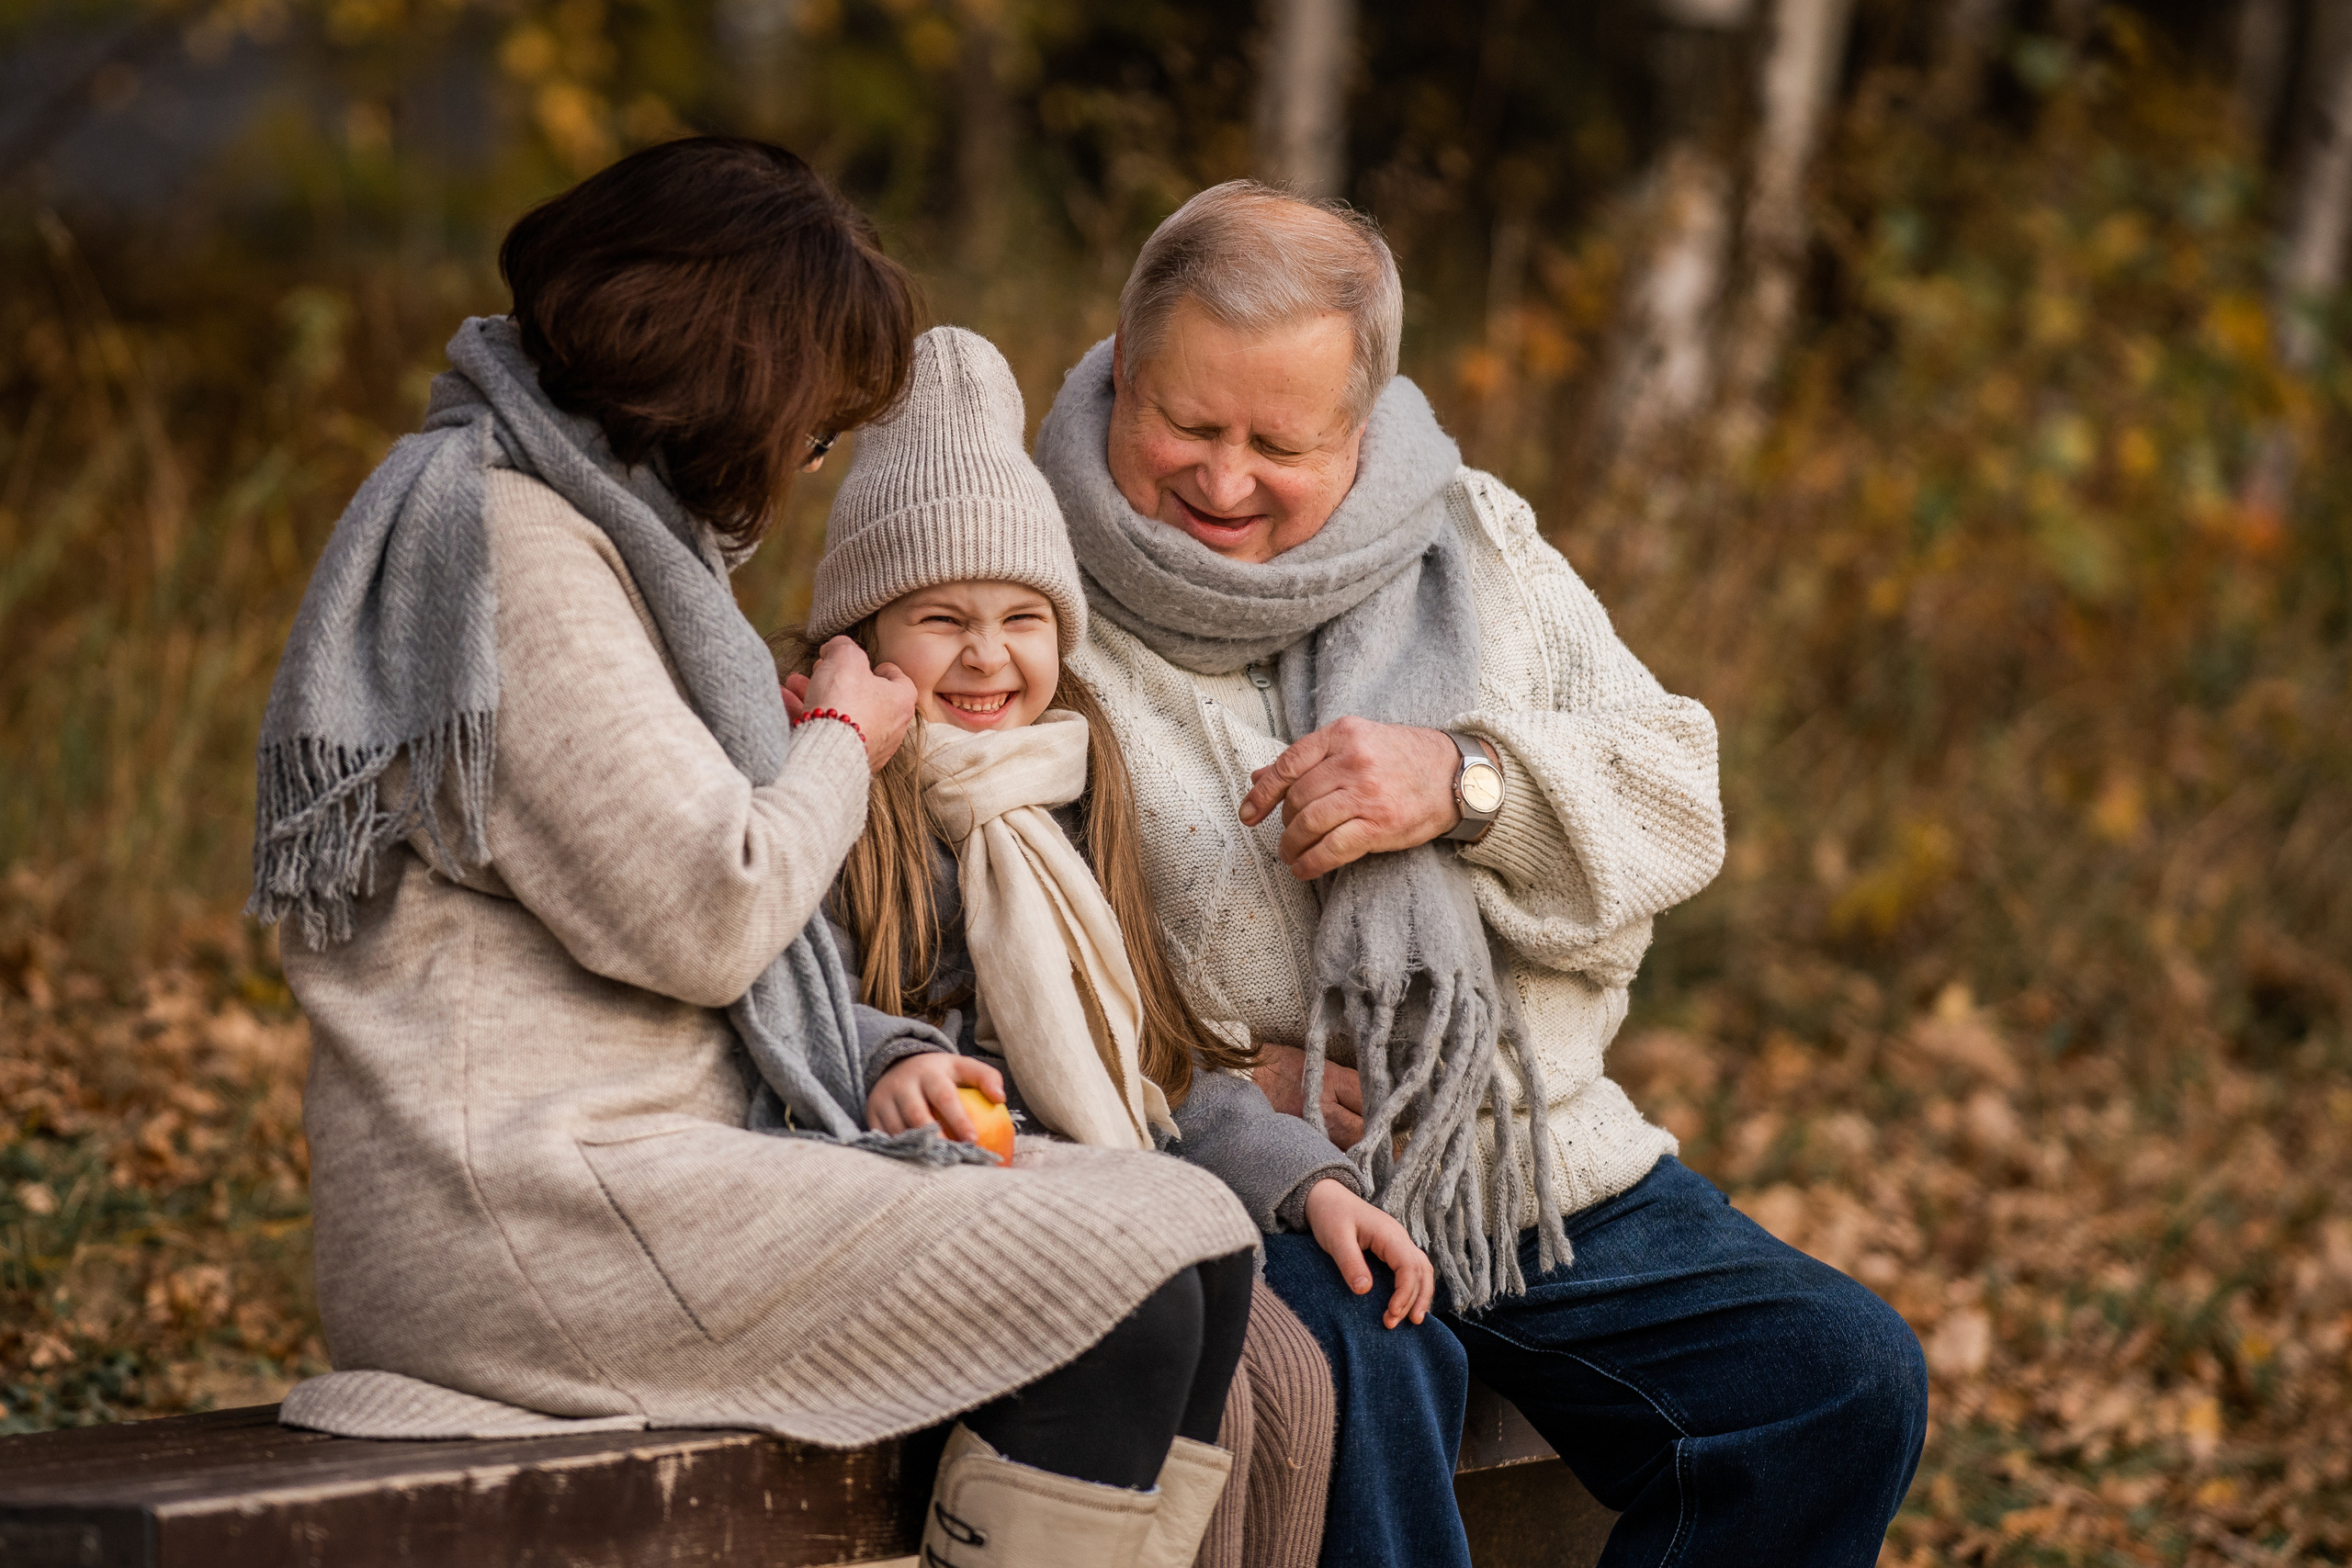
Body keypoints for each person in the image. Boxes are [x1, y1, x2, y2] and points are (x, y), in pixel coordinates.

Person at [247, 139, 1262, 1568]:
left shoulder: (602, 541)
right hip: (528, 1213)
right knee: (1125, 1275)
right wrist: (842, 738)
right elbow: (712, 909)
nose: (805, 459)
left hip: (650, 1167)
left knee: (1199, 1234)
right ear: (739, 378)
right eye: (816, 420)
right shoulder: (513, 551)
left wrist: (870, 1046)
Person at [1031, 179, 1932, 1568]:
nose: (1221, 480)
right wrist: (1229, 1084)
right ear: (1124, 367)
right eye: (1187, 423)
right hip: (1233, 1181)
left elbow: (1679, 794)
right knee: (1359, 1378)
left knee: (1834, 1377)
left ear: (1365, 424)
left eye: (1279, 442)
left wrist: (1464, 785)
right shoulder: (1024, 588)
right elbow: (962, 937)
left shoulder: (1475, 543)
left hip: (1516, 1158)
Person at [793, 322, 1394, 1568]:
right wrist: (890, 1055)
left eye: (1021, 617)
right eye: (939, 616)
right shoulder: (824, 786)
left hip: (1090, 1185)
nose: (985, 655)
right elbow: (763, 997)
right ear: (856, 637)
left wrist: (1305, 1176)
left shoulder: (1071, 796)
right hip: (897, 1190)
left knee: (1292, 1369)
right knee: (1184, 1331)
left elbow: (1152, 1073)